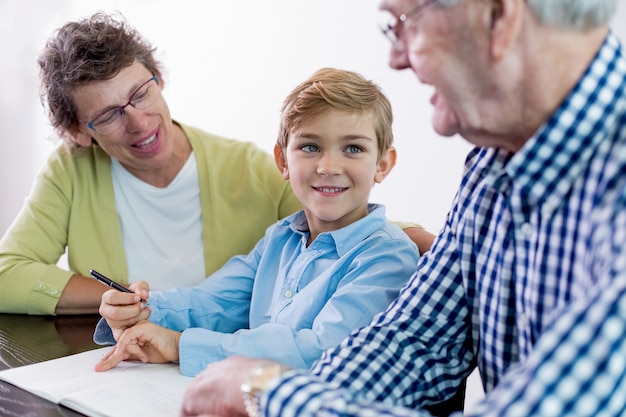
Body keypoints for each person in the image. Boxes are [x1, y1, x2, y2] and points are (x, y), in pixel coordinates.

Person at [179, 0, 626, 416]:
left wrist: (269, 393)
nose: (397, 58)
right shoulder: (491, 168)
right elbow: (412, 343)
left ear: (497, 15)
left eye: (406, 23)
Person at [0, 12, 433, 316]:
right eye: (110, 114)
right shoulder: (71, 171)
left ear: (159, 78)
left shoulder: (244, 167)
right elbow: (7, 274)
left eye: (140, 94)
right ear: (80, 132)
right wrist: (118, 300)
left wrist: (427, 239)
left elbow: (342, 218)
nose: (138, 121)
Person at [92, 67, 420, 377]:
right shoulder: (280, 239)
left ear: (383, 164)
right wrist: (142, 308)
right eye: (310, 146)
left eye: (352, 148)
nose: (328, 166)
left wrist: (180, 346)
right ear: (282, 161)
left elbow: (321, 351)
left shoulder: (387, 258)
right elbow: (214, 302)